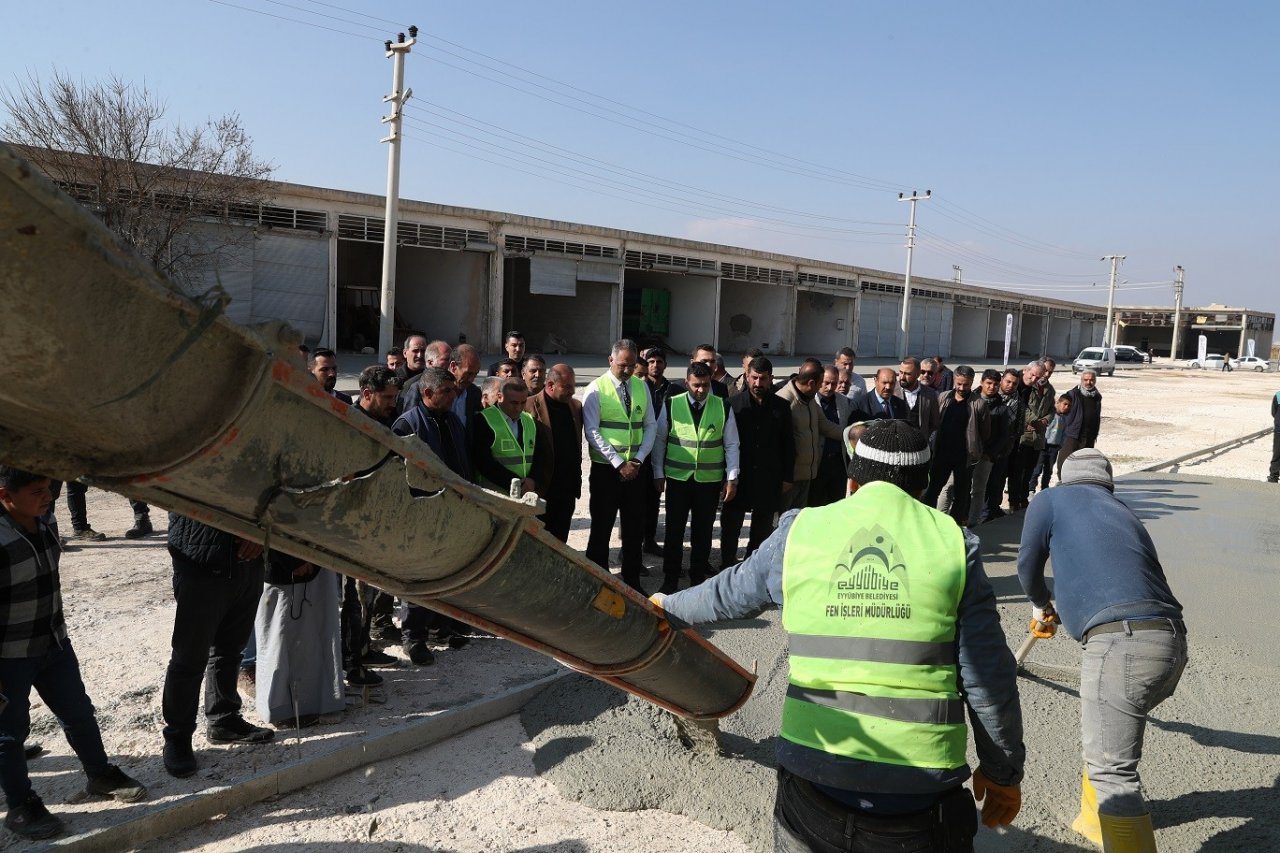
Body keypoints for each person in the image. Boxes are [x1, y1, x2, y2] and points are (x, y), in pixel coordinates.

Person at [654, 421, 1025, 852]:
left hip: (813, 781)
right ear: (922, 488)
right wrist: (1002, 773)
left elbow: (725, 594)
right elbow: (989, 681)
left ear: (852, 481)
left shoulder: (801, 532)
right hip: (918, 796)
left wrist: (665, 608)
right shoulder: (954, 546)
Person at [1017, 449, 1185, 850]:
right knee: (1105, 735)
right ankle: (1092, 819)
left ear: (1064, 476)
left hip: (1121, 642)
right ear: (1106, 483)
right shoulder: (1123, 512)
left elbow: (1027, 563)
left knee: (1112, 769)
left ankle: (1115, 829)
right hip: (1171, 641)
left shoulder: (1052, 499)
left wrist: (1042, 604)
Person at [0, 467, 147, 840]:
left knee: (78, 712)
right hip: (9, 658)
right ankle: (21, 806)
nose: (47, 496)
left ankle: (99, 774)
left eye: (47, 489)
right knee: (9, 733)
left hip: (54, 644)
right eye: (36, 491)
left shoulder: (45, 522)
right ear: (6, 496)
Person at [161, 513, 273, 779]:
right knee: (189, 657)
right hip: (202, 558)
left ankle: (224, 719)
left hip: (249, 562)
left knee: (230, 649)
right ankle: (177, 737)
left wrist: (260, 532)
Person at [391, 367, 472, 664]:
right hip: (421, 514)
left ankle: (442, 627)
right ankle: (414, 638)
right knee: (420, 576)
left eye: (454, 391)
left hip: (451, 512)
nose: (454, 396)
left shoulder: (452, 421)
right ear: (427, 393)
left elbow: (462, 463)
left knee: (445, 572)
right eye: (447, 392)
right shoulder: (407, 426)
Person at [650, 362, 739, 593]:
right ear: (687, 383)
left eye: (705, 385)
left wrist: (732, 477)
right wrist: (658, 473)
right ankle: (670, 578)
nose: (701, 390)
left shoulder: (722, 407)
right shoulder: (672, 405)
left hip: (708, 482)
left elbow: (731, 444)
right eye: (696, 385)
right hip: (678, 479)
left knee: (703, 532)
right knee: (674, 531)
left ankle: (697, 577)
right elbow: (660, 440)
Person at [583, 339, 656, 591]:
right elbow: (592, 431)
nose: (626, 370)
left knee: (635, 528)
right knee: (602, 527)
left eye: (631, 365)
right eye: (622, 365)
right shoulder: (596, 388)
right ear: (610, 360)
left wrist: (638, 459)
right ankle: (597, 581)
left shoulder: (640, 387)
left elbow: (650, 425)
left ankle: (632, 582)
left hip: (636, 469)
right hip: (607, 470)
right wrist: (618, 463)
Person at [255, 553, 347, 729]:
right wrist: (293, 559)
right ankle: (281, 709)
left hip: (319, 558)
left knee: (320, 631)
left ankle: (322, 702)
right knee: (279, 638)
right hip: (283, 562)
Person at [720, 357, 794, 570]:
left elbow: (788, 443)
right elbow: (725, 445)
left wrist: (787, 477)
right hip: (739, 478)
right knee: (731, 527)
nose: (758, 383)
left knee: (762, 529)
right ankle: (727, 566)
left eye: (763, 379)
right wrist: (727, 478)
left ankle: (752, 569)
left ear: (771, 379)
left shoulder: (781, 407)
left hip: (768, 478)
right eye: (754, 378)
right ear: (747, 377)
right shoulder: (733, 405)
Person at [923, 366, 989, 526]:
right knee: (933, 490)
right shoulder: (944, 397)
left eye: (965, 385)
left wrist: (977, 451)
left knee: (961, 494)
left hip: (965, 457)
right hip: (941, 453)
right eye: (958, 383)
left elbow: (985, 432)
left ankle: (954, 526)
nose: (961, 388)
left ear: (972, 383)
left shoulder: (979, 404)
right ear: (954, 380)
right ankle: (927, 522)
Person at [776, 363, 846, 512]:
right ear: (811, 383)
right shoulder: (783, 400)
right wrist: (785, 477)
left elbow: (825, 425)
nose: (824, 387)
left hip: (806, 477)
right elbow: (777, 443)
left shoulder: (810, 400)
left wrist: (851, 434)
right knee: (781, 524)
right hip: (788, 480)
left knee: (799, 523)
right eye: (822, 383)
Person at [526, 363, 583, 541]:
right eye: (567, 387)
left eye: (573, 386)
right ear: (550, 385)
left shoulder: (576, 406)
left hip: (567, 489)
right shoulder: (528, 406)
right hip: (542, 488)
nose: (572, 391)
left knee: (560, 539)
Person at [473, 378, 551, 496]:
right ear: (499, 396)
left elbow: (541, 456)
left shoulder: (529, 420)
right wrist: (515, 483)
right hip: (495, 493)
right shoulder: (484, 420)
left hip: (525, 492)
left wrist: (533, 481)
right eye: (514, 403)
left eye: (523, 402)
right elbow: (483, 461)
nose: (519, 408)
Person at [642, 348, 676, 556]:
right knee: (636, 500)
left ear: (665, 365)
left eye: (659, 361)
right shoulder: (639, 387)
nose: (655, 365)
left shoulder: (672, 389)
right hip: (640, 450)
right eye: (652, 361)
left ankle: (650, 540)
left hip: (662, 447)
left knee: (655, 497)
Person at [1008, 362, 1053, 511]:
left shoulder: (1048, 389)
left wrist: (1045, 420)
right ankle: (1014, 500)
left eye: (1042, 374)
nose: (1036, 378)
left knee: (1030, 469)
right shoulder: (1025, 387)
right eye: (1033, 374)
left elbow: (1052, 408)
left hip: (1038, 436)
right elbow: (1023, 406)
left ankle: (1023, 497)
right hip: (1024, 435)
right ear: (1026, 371)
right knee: (1017, 470)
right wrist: (1034, 421)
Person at [982, 369, 1023, 522]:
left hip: (1004, 449)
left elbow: (1018, 426)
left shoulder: (1018, 401)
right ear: (1002, 381)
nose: (1010, 385)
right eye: (1008, 381)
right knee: (982, 482)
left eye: (1014, 383)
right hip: (985, 449)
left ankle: (992, 508)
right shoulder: (990, 399)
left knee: (997, 481)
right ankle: (981, 512)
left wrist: (1009, 444)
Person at [810, 367, 852, 507]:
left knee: (836, 505)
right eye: (826, 382)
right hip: (818, 463)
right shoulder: (811, 400)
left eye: (834, 384)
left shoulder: (843, 401)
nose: (829, 387)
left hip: (838, 464)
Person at [1058, 369, 1102, 481]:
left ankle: (1079, 483)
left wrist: (1094, 434)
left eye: (1091, 380)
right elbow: (1059, 409)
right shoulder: (1072, 395)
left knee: (1084, 463)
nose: (1088, 382)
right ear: (1081, 380)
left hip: (1089, 436)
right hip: (1072, 434)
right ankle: (1062, 482)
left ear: (1095, 381)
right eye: (1086, 380)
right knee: (1065, 461)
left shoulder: (1097, 397)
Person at [1029, 393, 1071, 492]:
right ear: (1058, 402)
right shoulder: (1048, 414)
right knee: (1037, 469)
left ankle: (1045, 490)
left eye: (1069, 406)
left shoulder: (1064, 418)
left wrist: (1060, 445)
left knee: (1048, 470)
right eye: (1065, 404)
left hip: (1054, 448)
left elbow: (1064, 433)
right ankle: (1031, 489)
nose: (1066, 407)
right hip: (1043, 446)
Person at [894, 356, 941, 442]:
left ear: (917, 374)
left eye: (908, 374)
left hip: (919, 446)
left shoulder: (930, 394)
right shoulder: (892, 390)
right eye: (901, 372)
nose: (902, 377)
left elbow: (935, 423)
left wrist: (925, 438)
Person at [1270, 386, 1280, 483]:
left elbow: (1274, 412)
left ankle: (1274, 476)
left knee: (1277, 453)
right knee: (1277, 454)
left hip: (1278, 429)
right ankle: (1273, 475)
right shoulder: (1278, 395)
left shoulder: (1278, 395)